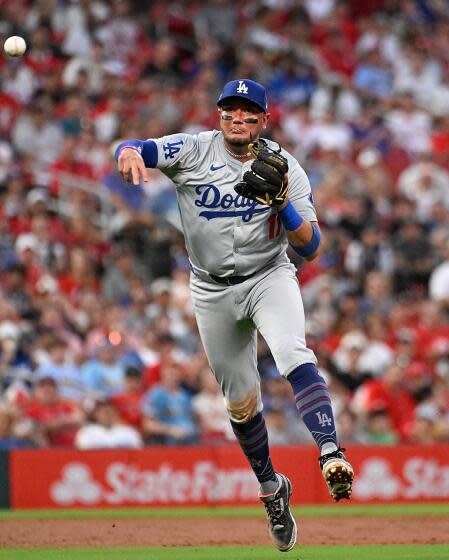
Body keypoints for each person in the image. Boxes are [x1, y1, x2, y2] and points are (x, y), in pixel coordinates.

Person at [116, 78, 353, 551]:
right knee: (241, 404)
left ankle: (330, 452)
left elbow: (312, 247)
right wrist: (127, 150)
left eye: (247, 113)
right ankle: (272, 489)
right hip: (211, 290)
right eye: (229, 111)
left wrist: (283, 205)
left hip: (269, 275)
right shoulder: (195, 150)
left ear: (264, 120)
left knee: (292, 352)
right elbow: (140, 147)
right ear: (219, 115)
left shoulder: (286, 167)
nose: (237, 119)